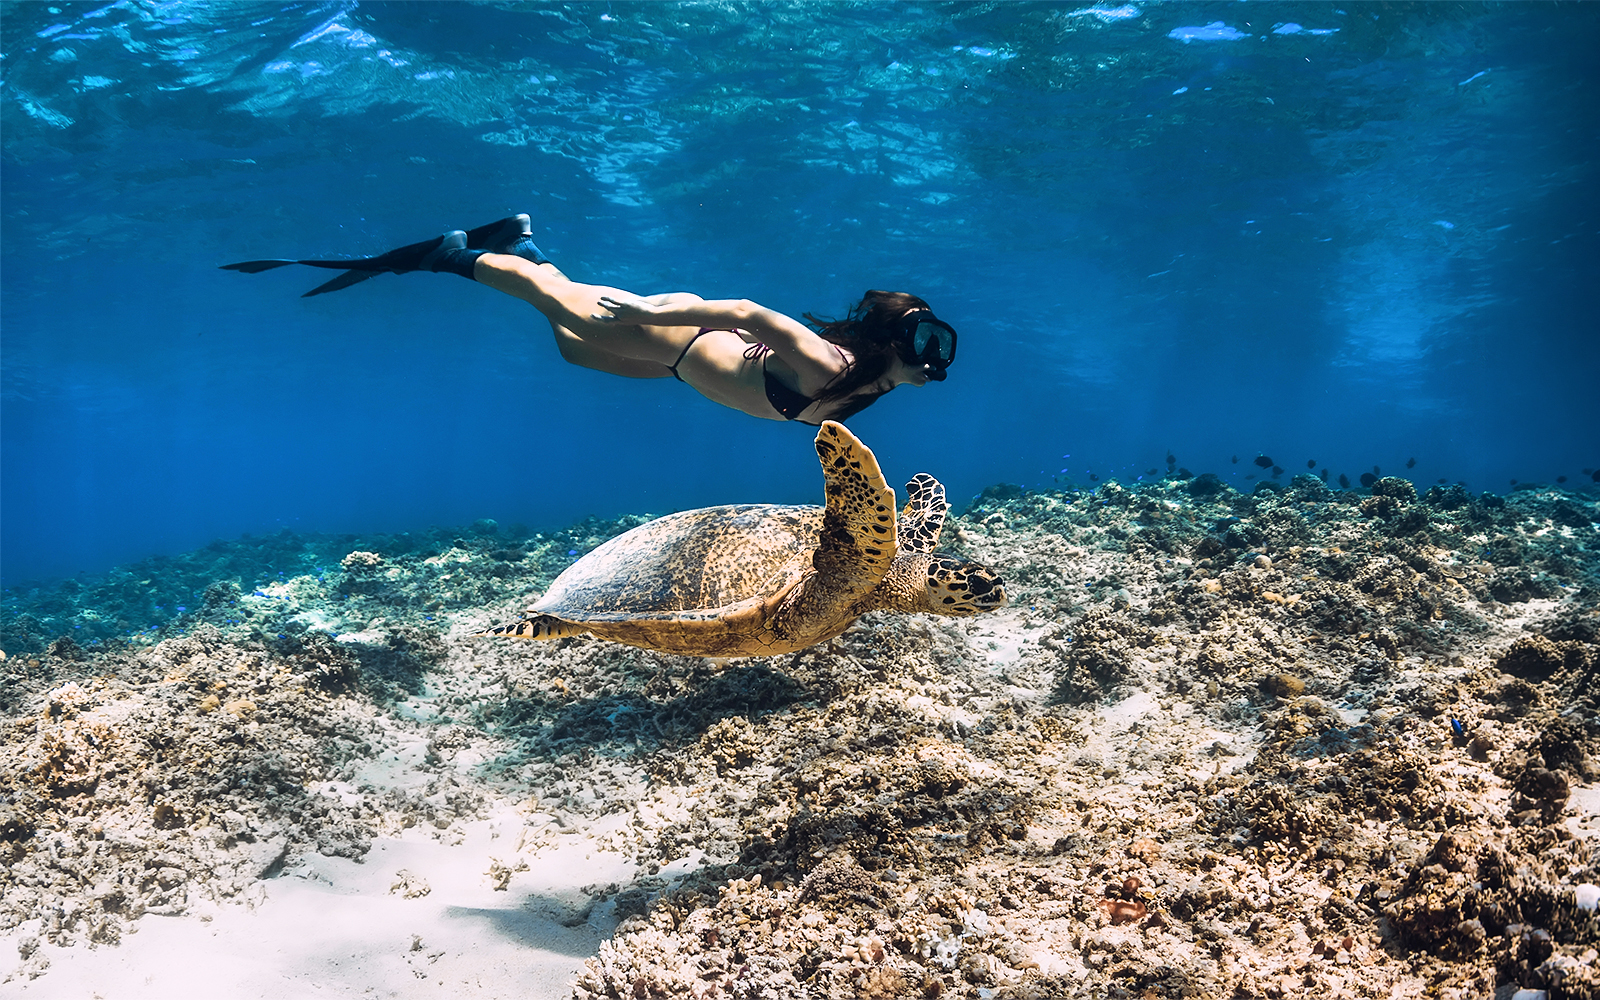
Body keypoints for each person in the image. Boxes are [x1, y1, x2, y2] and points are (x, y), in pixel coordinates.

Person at [222, 215, 957, 424]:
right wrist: (642, 308)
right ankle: (447, 256)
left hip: (675, 364)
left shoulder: (881, 385)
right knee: (555, 304)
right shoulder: (831, 367)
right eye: (927, 341)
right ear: (897, 344)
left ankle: (521, 243)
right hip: (681, 332)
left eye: (935, 343)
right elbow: (745, 311)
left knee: (572, 352)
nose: (936, 357)